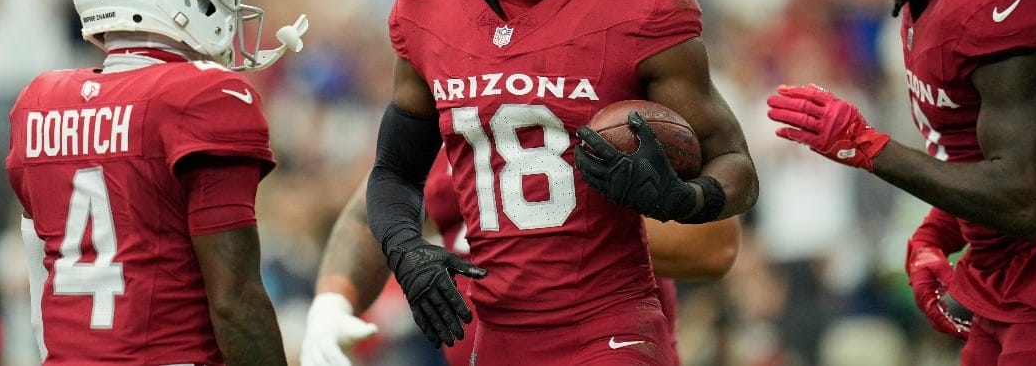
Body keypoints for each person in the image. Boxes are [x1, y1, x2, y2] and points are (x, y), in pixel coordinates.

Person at [364, 0, 758, 365]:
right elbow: (394, 169)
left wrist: (685, 197)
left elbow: (738, 165)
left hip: (608, 326)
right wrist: (404, 247)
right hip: (495, 334)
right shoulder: (427, 4)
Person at [766, 0, 1036, 365]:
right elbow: (998, 155)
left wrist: (868, 148)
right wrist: (939, 232)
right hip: (1006, 284)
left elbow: (1024, 196)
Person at [5, 0, 308, 364]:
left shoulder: (38, 104)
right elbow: (236, 304)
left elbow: (38, 292)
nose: (230, 6)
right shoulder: (201, 96)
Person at [301, 150, 742, 366]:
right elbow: (370, 214)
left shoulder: (607, 107)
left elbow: (714, 244)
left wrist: (527, 235)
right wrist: (332, 301)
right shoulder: (452, 122)